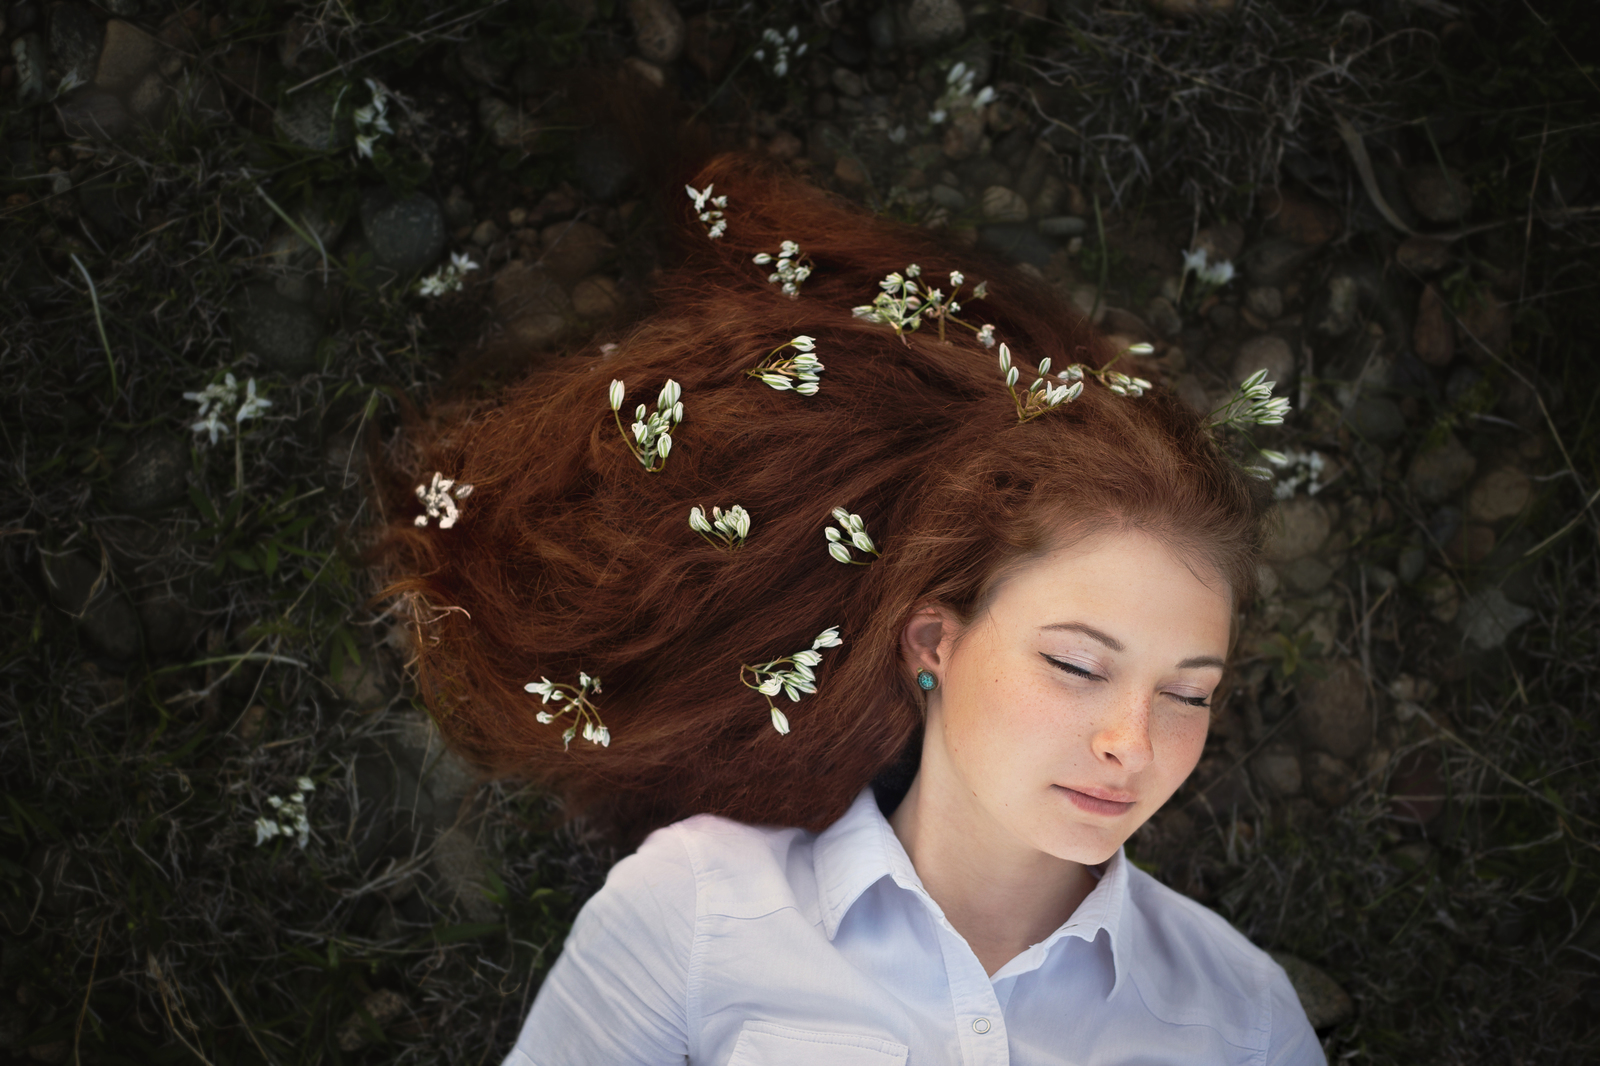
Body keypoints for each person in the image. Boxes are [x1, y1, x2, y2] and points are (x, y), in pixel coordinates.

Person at [381, 154, 1322, 1064]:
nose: (1136, 743)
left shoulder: (1240, 1017)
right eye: (1076, 664)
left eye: (1190, 694)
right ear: (934, 644)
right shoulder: (699, 905)